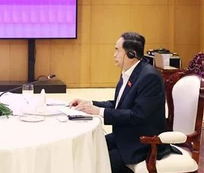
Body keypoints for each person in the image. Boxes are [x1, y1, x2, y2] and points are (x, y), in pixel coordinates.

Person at [70, 32, 172, 173]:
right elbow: (118, 105)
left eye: (117, 50)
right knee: (88, 148)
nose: (114, 54)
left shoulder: (149, 77)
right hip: (124, 136)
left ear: (131, 54)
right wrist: (90, 103)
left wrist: (99, 112)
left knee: (99, 163)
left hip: (142, 142)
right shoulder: (131, 72)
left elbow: (137, 115)